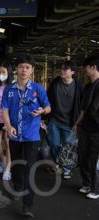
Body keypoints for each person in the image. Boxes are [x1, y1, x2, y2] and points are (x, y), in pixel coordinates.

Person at [1, 54, 51, 218]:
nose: (24, 70)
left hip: (32, 136)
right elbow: (4, 109)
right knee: (16, 164)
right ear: (17, 69)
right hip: (14, 135)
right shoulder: (9, 89)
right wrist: (8, 127)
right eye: (21, 67)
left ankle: (27, 206)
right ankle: (17, 186)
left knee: (30, 169)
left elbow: (48, 107)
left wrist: (42, 111)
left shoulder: (38, 88)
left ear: (32, 70)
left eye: (27, 67)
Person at [46, 60, 83, 179]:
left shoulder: (78, 86)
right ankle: (60, 163)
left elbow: (82, 106)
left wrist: (78, 123)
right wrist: (44, 119)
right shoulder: (55, 83)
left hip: (70, 122)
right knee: (54, 144)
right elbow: (47, 99)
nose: (61, 71)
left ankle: (66, 169)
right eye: (61, 69)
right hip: (54, 120)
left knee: (68, 147)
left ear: (72, 72)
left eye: (65, 69)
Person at [74, 55, 99, 200]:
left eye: (86, 67)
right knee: (83, 157)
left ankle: (95, 189)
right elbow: (83, 109)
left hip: (97, 130)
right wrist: (77, 123)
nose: (84, 70)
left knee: (92, 159)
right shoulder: (88, 86)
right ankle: (87, 184)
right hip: (85, 128)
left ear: (93, 67)